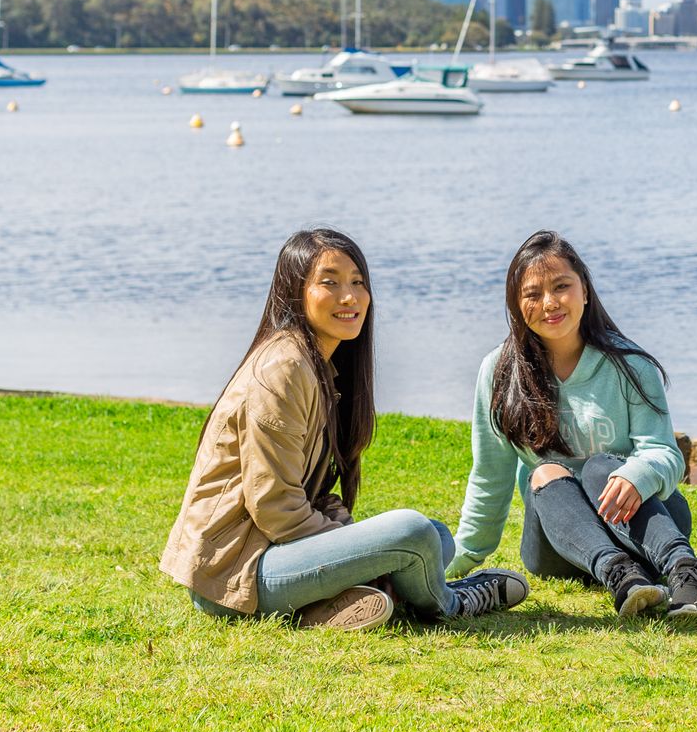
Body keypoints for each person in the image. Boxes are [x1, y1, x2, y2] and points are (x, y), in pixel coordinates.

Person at [161, 227, 529, 630]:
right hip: (236, 573)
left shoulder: (317, 364)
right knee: (412, 533)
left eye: (357, 282)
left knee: (436, 537)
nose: (349, 297)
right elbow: (277, 510)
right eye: (330, 282)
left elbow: (311, 495)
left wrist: (351, 543)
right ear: (295, 291)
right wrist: (354, 546)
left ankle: (330, 607)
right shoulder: (283, 368)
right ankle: (452, 602)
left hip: (273, 556)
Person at [450, 230, 697, 623]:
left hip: (647, 529)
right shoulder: (499, 372)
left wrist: (636, 475)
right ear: (516, 305)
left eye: (562, 286)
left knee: (600, 468)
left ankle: (684, 571)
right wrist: (459, 558)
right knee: (545, 472)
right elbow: (491, 476)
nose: (549, 303)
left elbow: (665, 453)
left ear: (585, 291)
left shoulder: (630, 365)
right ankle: (619, 573)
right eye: (533, 294)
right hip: (559, 547)